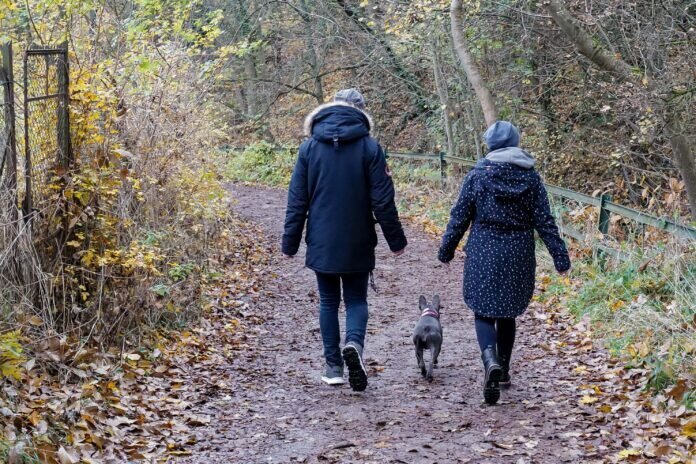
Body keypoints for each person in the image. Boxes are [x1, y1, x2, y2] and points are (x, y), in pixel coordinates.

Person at [282, 88, 407, 391]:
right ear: (361, 111)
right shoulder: (370, 148)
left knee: (328, 301)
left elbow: (297, 199)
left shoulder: (309, 148)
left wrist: (290, 242)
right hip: (358, 237)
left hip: (322, 238)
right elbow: (383, 200)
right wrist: (396, 240)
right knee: (356, 299)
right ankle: (354, 346)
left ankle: (333, 367)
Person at [438, 121, 570, 405]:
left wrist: (446, 250)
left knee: (483, 310)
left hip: (484, 249)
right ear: (516, 142)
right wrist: (560, 257)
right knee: (508, 312)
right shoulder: (530, 178)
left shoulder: (477, 175)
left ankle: (490, 361)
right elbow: (544, 220)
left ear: (490, 144)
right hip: (518, 252)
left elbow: (460, 216)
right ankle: (504, 370)